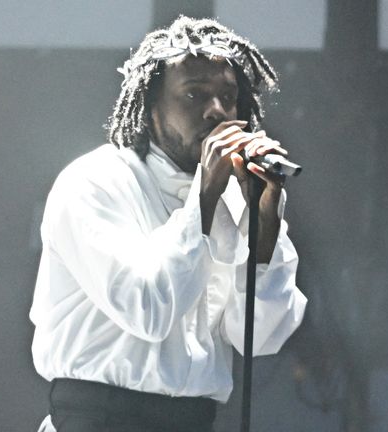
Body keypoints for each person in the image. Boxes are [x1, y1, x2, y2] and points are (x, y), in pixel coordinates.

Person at [30, 16, 307, 432]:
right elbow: (147, 309)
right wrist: (204, 198)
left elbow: (261, 338)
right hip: (103, 419)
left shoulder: (231, 203)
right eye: (195, 94)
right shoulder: (94, 182)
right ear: (151, 108)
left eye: (227, 97)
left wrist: (265, 223)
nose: (217, 112)